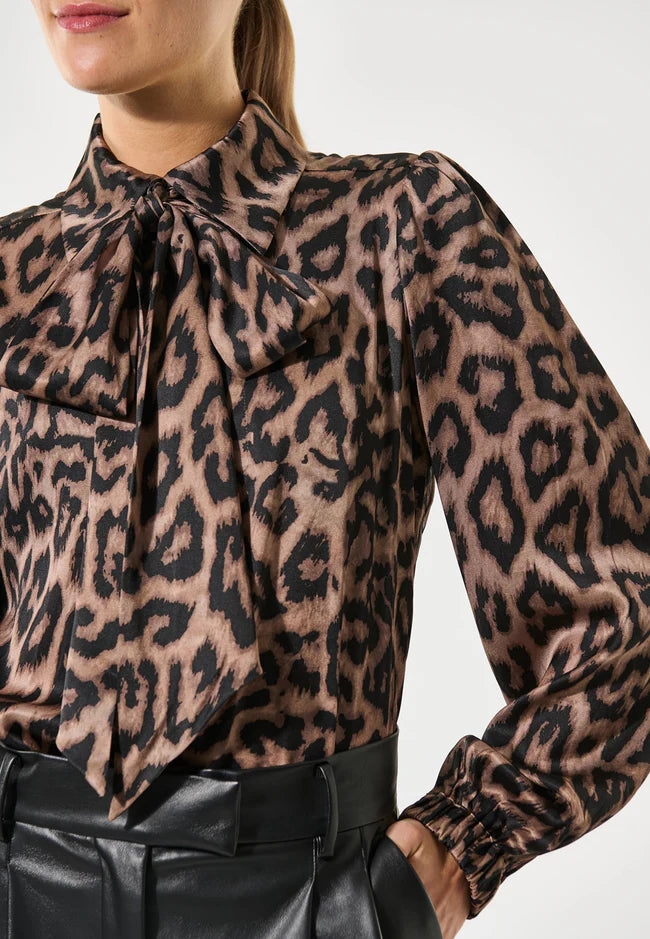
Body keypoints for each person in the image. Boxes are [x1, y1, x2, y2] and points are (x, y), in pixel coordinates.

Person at [0, 1, 647, 937]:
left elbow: (627, 601)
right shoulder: (13, 274)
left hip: (306, 903)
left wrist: (461, 846)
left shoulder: (405, 226)